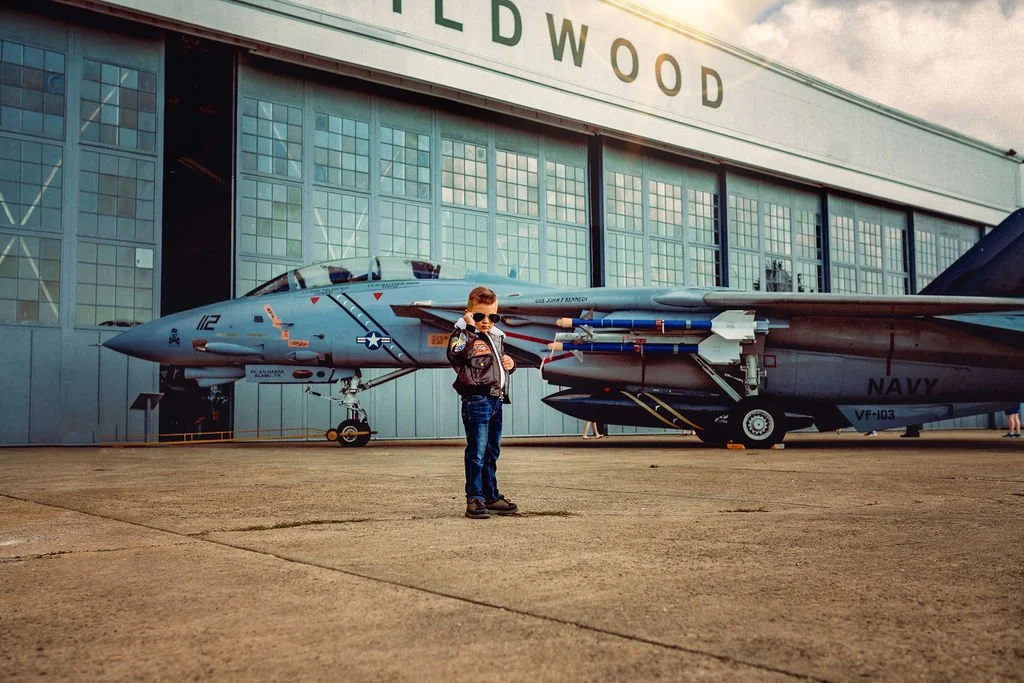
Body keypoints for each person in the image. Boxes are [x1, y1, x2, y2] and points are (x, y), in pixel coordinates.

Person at [447, 286, 519, 519]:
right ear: (469, 312)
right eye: (479, 316)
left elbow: (495, 365)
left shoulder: (496, 336)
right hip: (476, 399)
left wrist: (510, 364)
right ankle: (475, 499)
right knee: (477, 452)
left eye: (492, 316)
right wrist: (469, 327)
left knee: (491, 451)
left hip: (496, 399)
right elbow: (456, 355)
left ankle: (491, 496)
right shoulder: (462, 335)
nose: (486, 321)